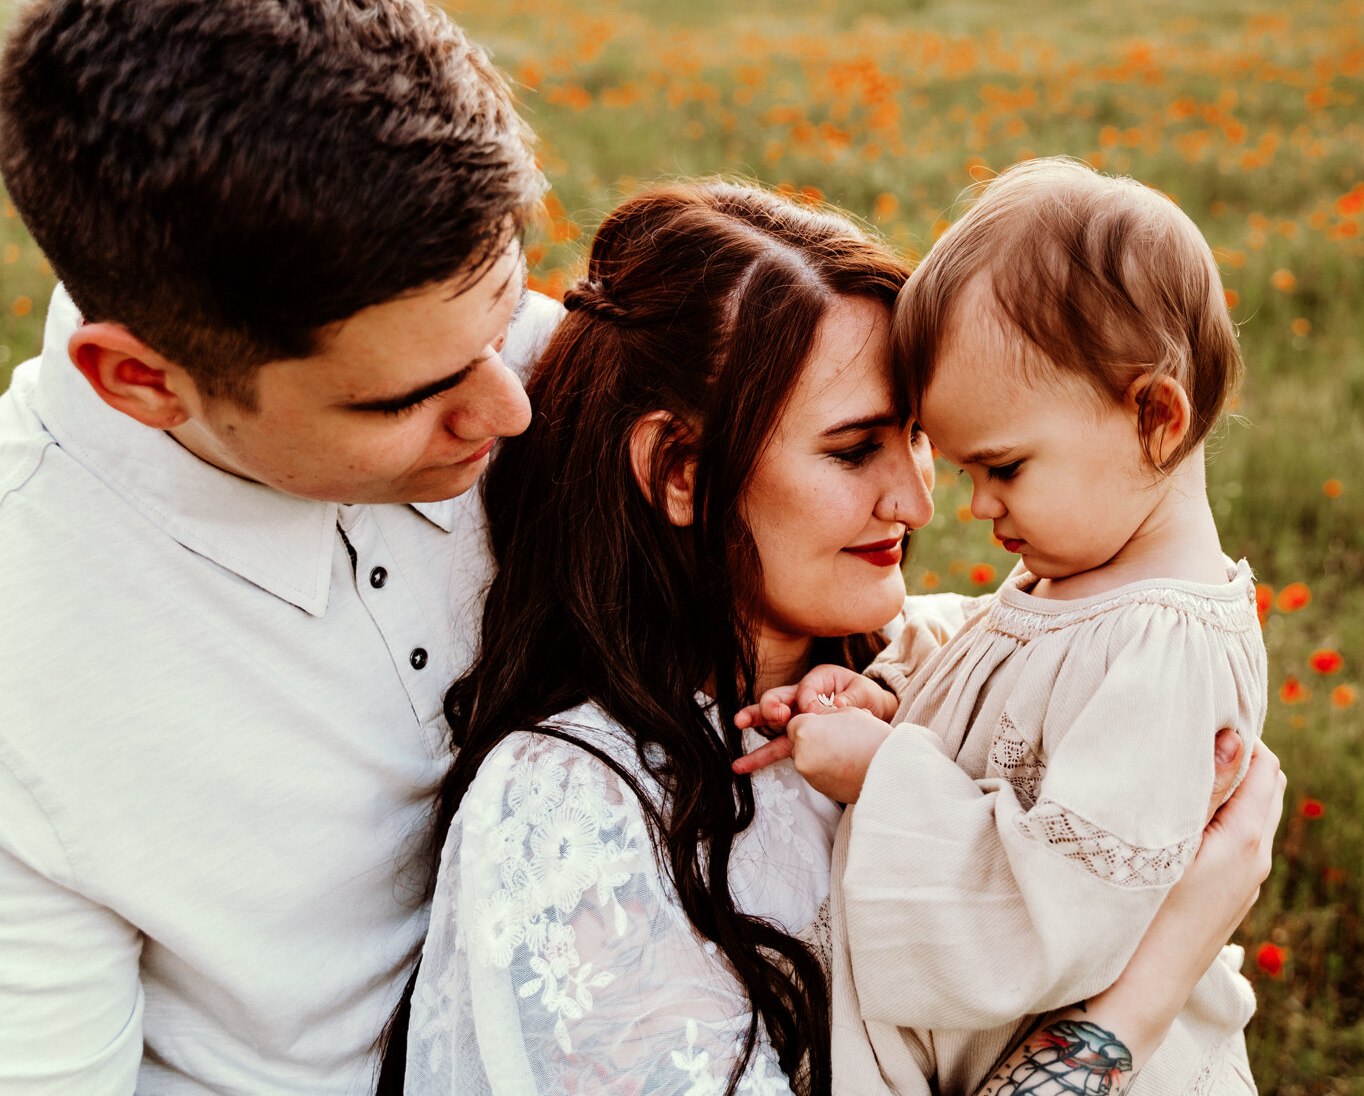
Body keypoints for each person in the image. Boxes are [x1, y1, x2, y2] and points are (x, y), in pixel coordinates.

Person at [391, 179, 1284, 1096]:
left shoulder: (934, 660)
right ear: (681, 471)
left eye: (917, 439)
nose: (921, 501)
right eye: (855, 449)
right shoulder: (581, 813)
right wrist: (1157, 975)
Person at [0, 0, 561, 1091]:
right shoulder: (22, 656)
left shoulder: (492, 354)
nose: (512, 406)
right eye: (408, 397)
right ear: (144, 382)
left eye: (503, 316)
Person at [735, 158, 1270, 1094]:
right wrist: (894, 696)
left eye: (1006, 467)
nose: (970, 504)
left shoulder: (1165, 647)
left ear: (1155, 415)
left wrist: (880, 772)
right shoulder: (1082, 580)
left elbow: (1061, 907)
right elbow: (1005, 705)